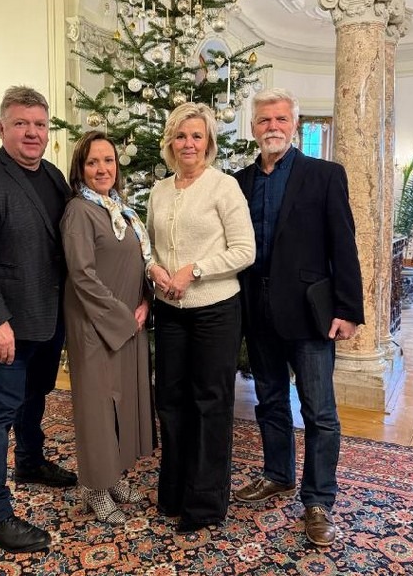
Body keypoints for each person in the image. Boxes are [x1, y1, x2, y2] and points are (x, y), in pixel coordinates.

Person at [233, 87, 364, 548]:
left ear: (295, 124)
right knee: (269, 400)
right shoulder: (239, 181)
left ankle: (318, 500)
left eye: (281, 119)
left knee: (319, 411)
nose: (273, 126)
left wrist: (348, 310)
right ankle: (278, 474)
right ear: (254, 128)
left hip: (310, 314)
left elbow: (343, 243)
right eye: (264, 120)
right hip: (258, 309)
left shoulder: (324, 175)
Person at [0, 86, 77, 554]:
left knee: (35, 395)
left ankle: (29, 460)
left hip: (49, 319)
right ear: (1, 127)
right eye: (21, 123)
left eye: (39, 124)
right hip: (7, 324)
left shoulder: (54, 176)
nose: (32, 132)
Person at [146, 102, 255, 533]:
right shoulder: (159, 190)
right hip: (170, 311)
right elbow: (150, 246)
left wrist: (195, 269)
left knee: (210, 403)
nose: (188, 143)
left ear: (208, 142)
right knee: (170, 401)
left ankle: (206, 502)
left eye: (197, 135)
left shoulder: (223, 187)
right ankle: (174, 492)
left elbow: (245, 250)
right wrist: (153, 268)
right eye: (180, 135)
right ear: (170, 142)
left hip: (216, 310)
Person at [60, 131, 155, 525]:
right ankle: (94, 488)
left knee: (121, 404)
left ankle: (113, 477)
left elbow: (141, 261)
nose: (102, 169)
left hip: (130, 322)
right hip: (95, 325)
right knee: (97, 408)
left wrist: (145, 302)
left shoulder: (121, 210)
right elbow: (82, 275)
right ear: (80, 169)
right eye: (93, 162)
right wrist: (122, 317)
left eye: (109, 160)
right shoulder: (79, 212)